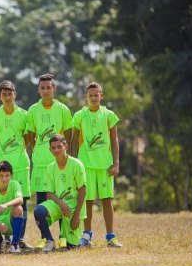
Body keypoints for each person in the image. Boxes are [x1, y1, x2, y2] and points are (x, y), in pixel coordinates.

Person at [71, 82, 122, 248]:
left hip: (105, 166)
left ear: (102, 96)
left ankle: (110, 237)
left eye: (96, 94)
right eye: (90, 95)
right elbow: (73, 140)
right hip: (86, 166)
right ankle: (87, 235)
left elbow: (114, 140)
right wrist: (73, 163)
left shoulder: (109, 115)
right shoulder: (79, 116)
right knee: (87, 201)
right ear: (86, 97)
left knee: (107, 200)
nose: (93, 98)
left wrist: (116, 162)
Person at [27, 74, 72, 250]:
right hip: (40, 163)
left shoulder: (63, 109)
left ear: (54, 89)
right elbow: (30, 137)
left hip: (59, 163)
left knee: (61, 197)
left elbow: (69, 136)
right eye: (42, 88)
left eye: (49, 87)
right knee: (40, 201)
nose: (46, 91)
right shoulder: (32, 110)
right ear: (38, 90)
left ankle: (63, 237)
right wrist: (39, 152)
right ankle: (45, 238)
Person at [0, 80, 32, 249]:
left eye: (10, 93)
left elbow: (28, 139)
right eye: (4, 94)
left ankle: (19, 238)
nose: (7, 97)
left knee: (22, 201)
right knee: (3, 200)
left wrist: (17, 154)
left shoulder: (24, 114)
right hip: (1, 166)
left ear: (15, 94)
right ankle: (6, 238)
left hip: (20, 165)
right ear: (0, 96)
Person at [34, 134, 87, 253]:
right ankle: (49, 240)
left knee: (71, 246)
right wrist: (61, 203)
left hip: (73, 209)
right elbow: (49, 193)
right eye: (53, 147)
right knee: (39, 211)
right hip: (58, 205)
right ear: (50, 149)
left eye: (59, 147)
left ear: (66, 146)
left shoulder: (77, 164)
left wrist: (77, 215)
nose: (56, 150)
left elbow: (83, 191)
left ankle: (84, 240)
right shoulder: (50, 168)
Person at [0, 160, 24, 253]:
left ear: (11, 175)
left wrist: (5, 205)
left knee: (18, 208)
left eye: (7, 176)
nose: (4, 179)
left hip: (9, 220)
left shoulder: (14, 184)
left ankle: (15, 244)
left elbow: (20, 199)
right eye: (1, 175)